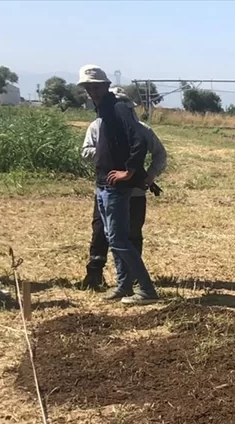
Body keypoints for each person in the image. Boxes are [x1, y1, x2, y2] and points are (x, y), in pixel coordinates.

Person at [77, 64, 159, 305]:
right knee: (114, 238)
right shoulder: (103, 111)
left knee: (119, 239)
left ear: (105, 85)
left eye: (96, 86)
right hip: (103, 184)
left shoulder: (118, 108)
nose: (92, 91)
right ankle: (123, 286)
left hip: (116, 187)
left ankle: (146, 289)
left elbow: (139, 141)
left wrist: (129, 171)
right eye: (88, 88)